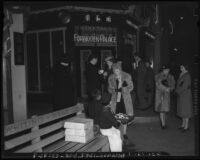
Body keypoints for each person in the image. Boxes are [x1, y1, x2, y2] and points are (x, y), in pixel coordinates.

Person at [108, 61, 135, 141]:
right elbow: (109, 89)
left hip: (125, 99)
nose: (117, 72)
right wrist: (115, 90)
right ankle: (117, 132)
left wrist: (122, 87)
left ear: (120, 69)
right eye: (115, 71)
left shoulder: (126, 76)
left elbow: (131, 87)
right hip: (115, 100)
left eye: (118, 70)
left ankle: (124, 133)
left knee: (125, 116)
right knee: (116, 115)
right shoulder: (111, 77)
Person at [155, 65, 175, 129]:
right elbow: (158, 85)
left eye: (168, 70)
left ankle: (164, 123)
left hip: (166, 95)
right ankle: (163, 124)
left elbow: (173, 84)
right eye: (166, 70)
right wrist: (165, 89)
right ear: (163, 70)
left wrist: (171, 88)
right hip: (160, 94)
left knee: (165, 110)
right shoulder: (157, 76)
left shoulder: (171, 76)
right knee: (161, 109)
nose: (167, 71)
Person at [175, 64, 193, 132]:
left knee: (186, 110)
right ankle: (183, 125)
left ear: (185, 68)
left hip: (185, 95)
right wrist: (177, 90)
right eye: (180, 67)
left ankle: (186, 126)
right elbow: (179, 84)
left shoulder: (187, 75)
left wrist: (177, 91)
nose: (180, 68)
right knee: (182, 110)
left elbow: (184, 86)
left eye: (182, 67)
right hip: (181, 94)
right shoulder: (182, 74)